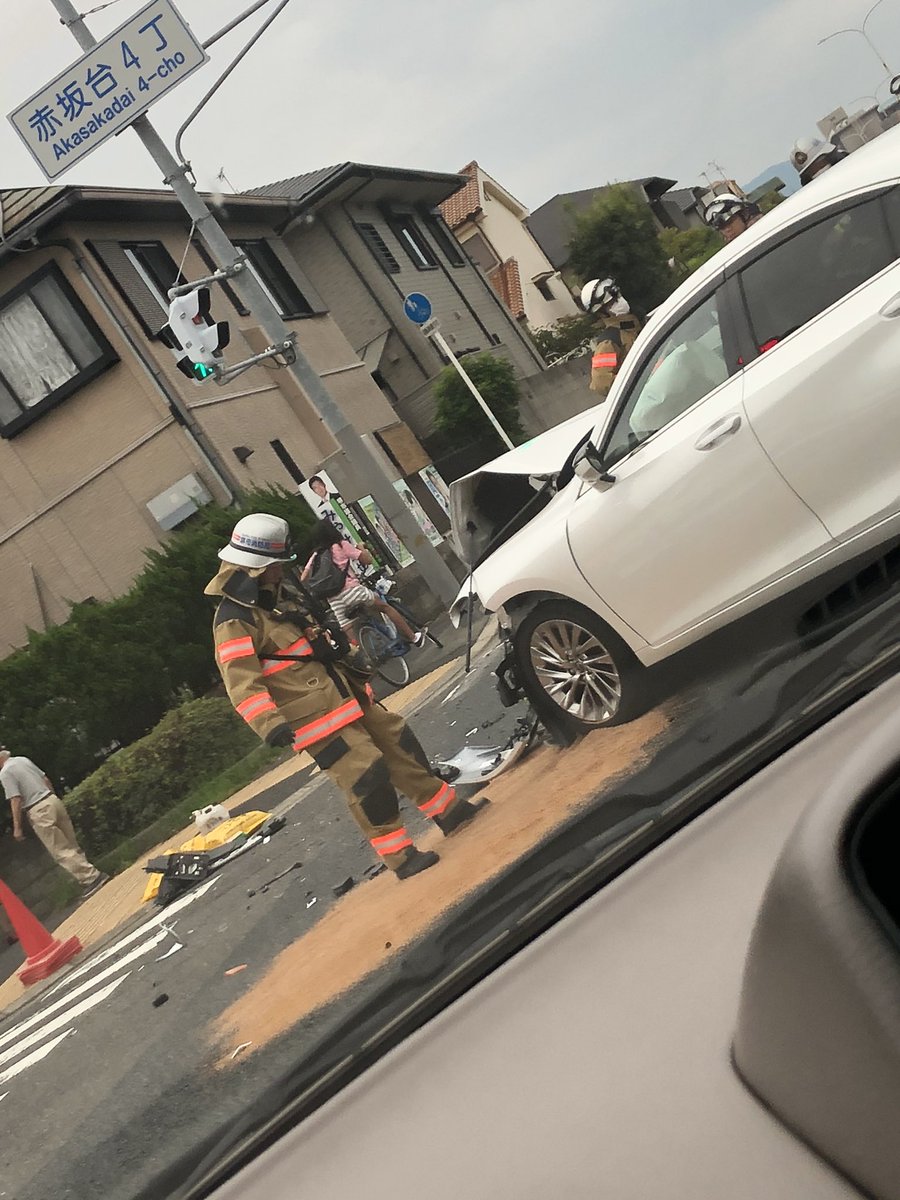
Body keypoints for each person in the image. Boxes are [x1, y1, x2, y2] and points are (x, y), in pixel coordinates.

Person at [205, 514, 488, 879]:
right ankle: (400, 855)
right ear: (258, 568)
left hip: (345, 696)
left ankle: (448, 811)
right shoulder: (234, 619)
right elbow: (240, 679)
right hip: (315, 721)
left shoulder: (274, 601)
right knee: (366, 776)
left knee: (398, 741)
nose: (281, 571)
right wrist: (269, 723)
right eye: (276, 565)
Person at [0, 747, 109, 899]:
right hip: (51, 799)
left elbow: (15, 799)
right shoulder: (22, 760)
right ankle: (89, 876)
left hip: (38, 808)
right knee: (71, 842)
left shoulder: (5, 773)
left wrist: (17, 827)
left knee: (61, 850)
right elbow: (45, 778)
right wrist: (53, 796)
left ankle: (92, 877)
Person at [302, 519, 423, 644]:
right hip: (352, 590)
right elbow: (367, 560)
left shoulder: (316, 555)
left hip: (334, 601)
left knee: (351, 634)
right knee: (386, 608)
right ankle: (413, 638)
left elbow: (303, 578)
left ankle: (369, 657)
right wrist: (361, 549)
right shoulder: (340, 545)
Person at [580, 278, 643, 397]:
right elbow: (601, 382)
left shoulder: (637, 324)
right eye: (612, 302)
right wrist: (638, 385)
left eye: (618, 296)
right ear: (602, 313)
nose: (620, 301)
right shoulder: (609, 342)